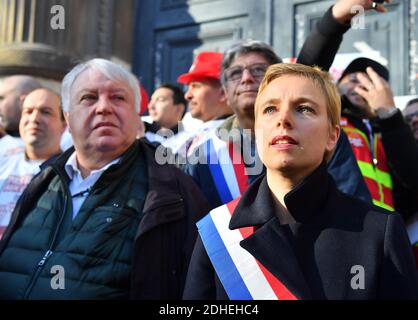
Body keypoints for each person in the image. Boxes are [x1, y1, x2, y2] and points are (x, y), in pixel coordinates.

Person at [183, 63, 418, 300]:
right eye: (270, 109)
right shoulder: (218, 232)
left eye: (304, 109)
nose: (283, 118)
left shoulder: (380, 231)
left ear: (332, 136)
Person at [0, 58, 210, 299]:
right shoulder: (43, 179)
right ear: (68, 118)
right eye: (88, 97)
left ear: (136, 114)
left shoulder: (173, 194)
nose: (103, 108)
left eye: (118, 98)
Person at [337, 58, 418, 216]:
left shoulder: (387, 134)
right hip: (338, 228)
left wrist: (387, 112)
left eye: (371, 85)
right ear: (336, 84)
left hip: (382, 232)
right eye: (353, 79)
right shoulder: (327, 121)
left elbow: (413, 179)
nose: (361, 86)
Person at [0, 88, 66, 239]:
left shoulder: (71, 174)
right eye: (28, 111)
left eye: (46, 112)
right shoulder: (2, 163)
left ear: (64, 125)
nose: (34, 119)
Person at [165, 51, 233, 157]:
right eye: (188, 87)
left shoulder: (237, 137)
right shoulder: (192, 134)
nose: (187, 95)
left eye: (196, 86)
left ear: (223, 92)